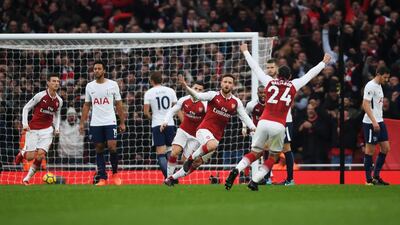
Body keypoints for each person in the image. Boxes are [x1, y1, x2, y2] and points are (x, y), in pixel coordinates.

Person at [225, 44, 331, 191]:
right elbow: (309, 75)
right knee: (274, 157)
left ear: (278, 74)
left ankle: (237, 169)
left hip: (263, 121)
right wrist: (323, 62)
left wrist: (245, 52)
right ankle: (255, 180)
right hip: (279, 125)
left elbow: (255, 68)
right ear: (289, 77)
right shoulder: (293, 84)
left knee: (255, 153)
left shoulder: (269, 81)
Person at [176, 74, 256, 181]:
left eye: (230, 83)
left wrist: (252, 127)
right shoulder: (213, 95)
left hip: (219, 135)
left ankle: (173, 178)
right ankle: (190, 159)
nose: (227, 84)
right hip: (204, 130)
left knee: (199, 162)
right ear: (221, 83)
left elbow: (244, 116)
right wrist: (186, 86)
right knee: (211, 146)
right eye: (225, 82)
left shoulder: (236, 102)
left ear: (233, 85)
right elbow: (198, 96)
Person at [245, 54, 296, 185]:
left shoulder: (279, 83)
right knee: (267, 148)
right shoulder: (268, 81)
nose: (269, 69)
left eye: (272, 67)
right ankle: (266, 178)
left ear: (277, 69)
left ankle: (290, 179)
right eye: (267, 67)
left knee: (286, 148)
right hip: (271, 120)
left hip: (285, 120)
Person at [79, 61, 126, 186]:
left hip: (110, 121)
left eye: (99, 68)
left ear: (104, 70)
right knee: (99, 148)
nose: (97, 71)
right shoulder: (89, 86)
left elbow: (119, 104)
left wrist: (122, 122)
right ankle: (103, 178)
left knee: (112, 147)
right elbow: (87, 105)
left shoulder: (113, 84)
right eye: (95, 69)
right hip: (96, 122)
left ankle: (115, 174)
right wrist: (82, 123)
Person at [15, 74, 63, 185]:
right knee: (30, 157)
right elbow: (26, 108)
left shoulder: (59, 101)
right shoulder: (40, 96)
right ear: (48, 83)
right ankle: (22, 153)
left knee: (41, 155)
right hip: (33, 129)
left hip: (47, 131)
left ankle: (26, 179)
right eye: (54, 81)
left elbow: (57, 115)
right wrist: (25, 124)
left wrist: (57, 128)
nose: (56, 83)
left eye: (58, 81)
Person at [161, 81, 207, 185]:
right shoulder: (184, 100)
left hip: (196, 136)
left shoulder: (205, 104)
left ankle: (174, 177)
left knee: (185, 161)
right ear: (191, 88)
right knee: (174, 152)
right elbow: (172, 111)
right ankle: (168, 178)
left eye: (200, 90)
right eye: (196, 88)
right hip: (183, 130)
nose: (197, 91)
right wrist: (165, 122)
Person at [144, 71, 178, 179]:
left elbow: (145, 112)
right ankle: (173, 177)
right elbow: (176, 108)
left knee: (160, 153)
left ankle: (168, 178)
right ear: (162, 80)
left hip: (157, 124)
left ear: (151, 81)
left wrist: (152, 118)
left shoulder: (149, 92)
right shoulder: (171, 91)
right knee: (170, 151)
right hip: (170, 124)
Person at [362, 66, 391, 185]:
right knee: (370, 150)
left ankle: (376, 176)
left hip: (380, 120)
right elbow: (365, 104)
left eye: (387, 78)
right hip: (370, 122)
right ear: (378, 74)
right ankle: (368, 180)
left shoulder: (379, 86)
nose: (386, 80)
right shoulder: (370, 85)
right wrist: (374, 121)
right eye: (385, 77)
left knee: (386, 148)